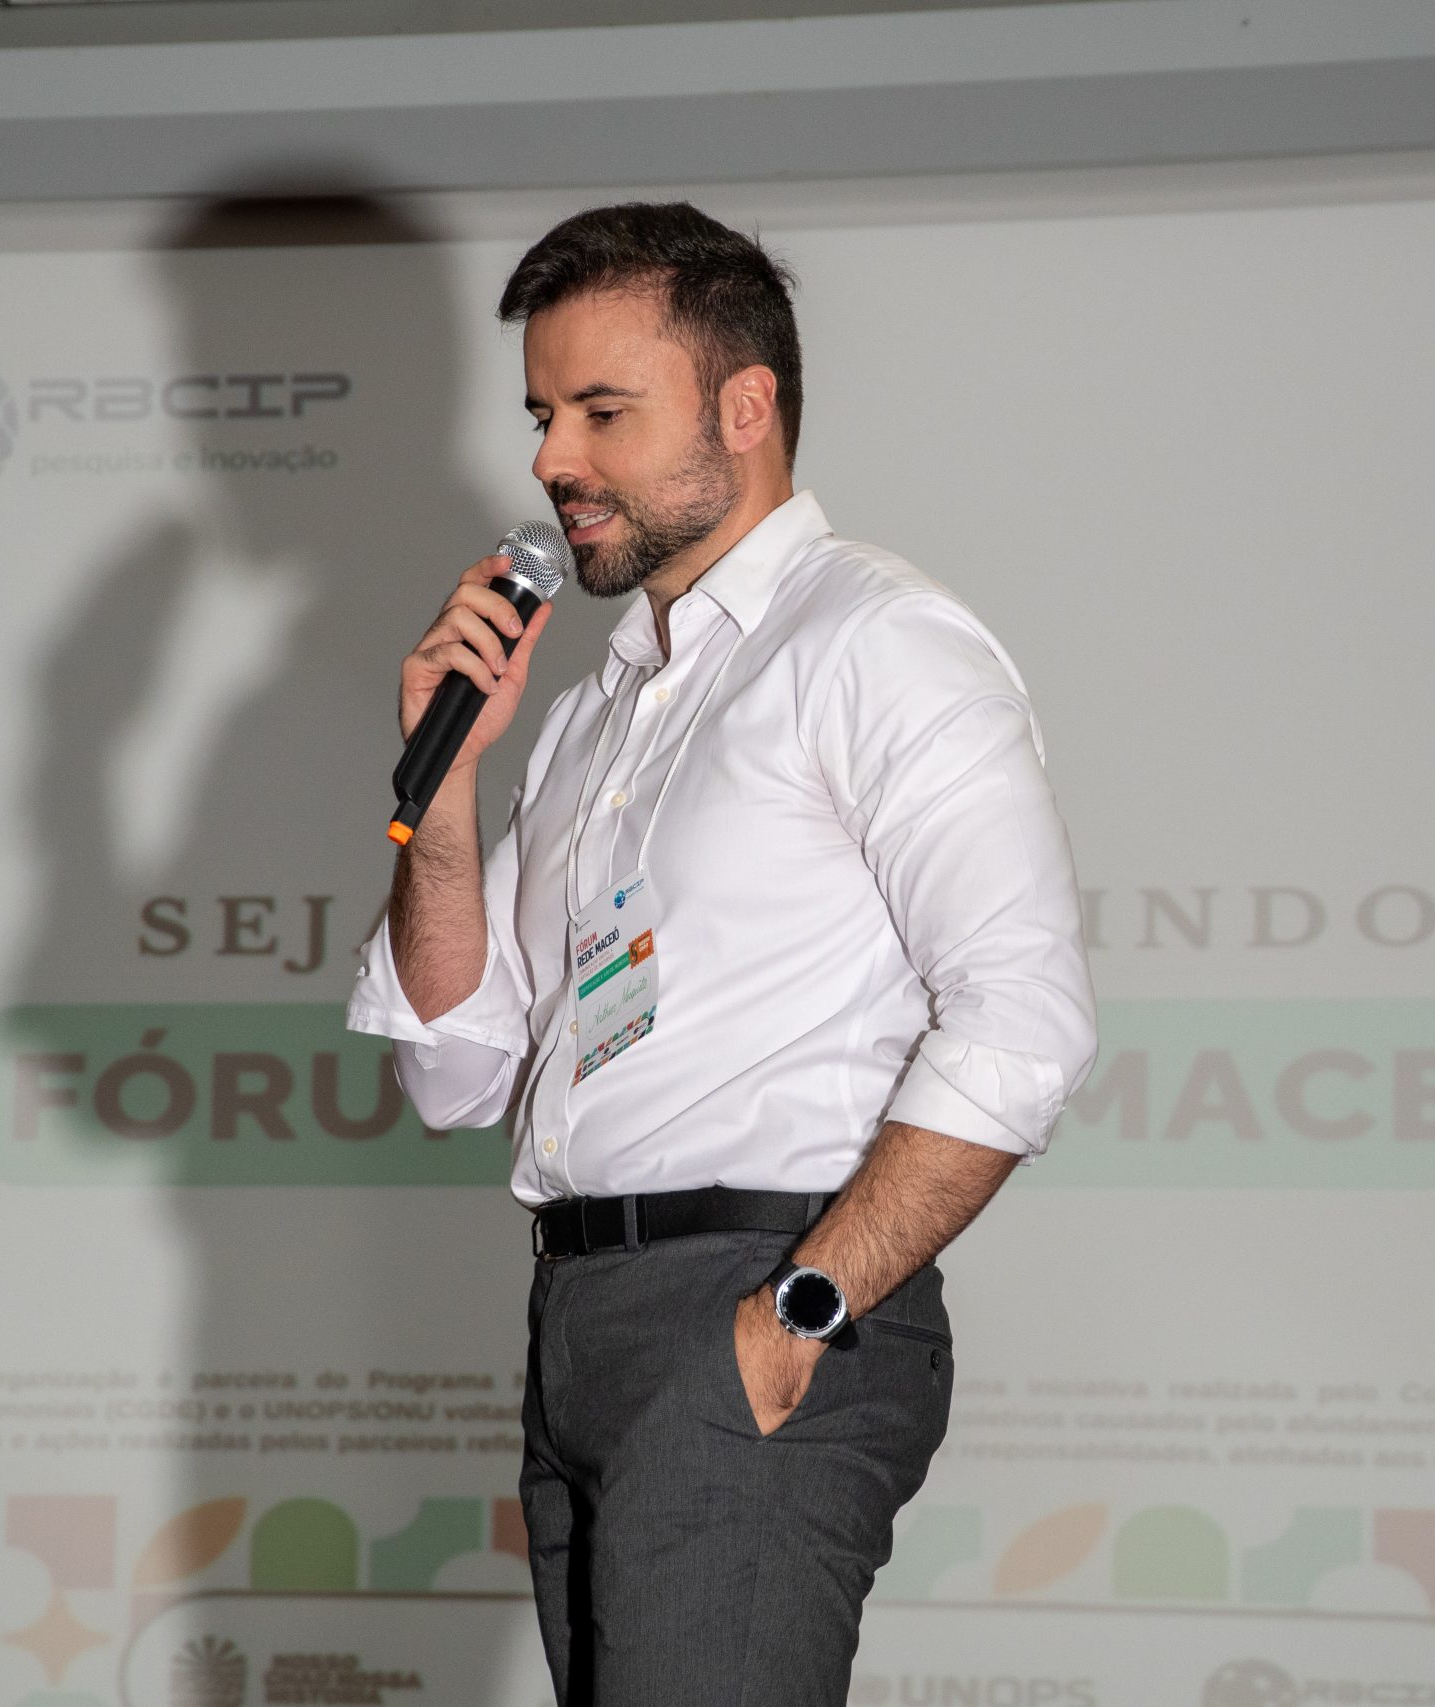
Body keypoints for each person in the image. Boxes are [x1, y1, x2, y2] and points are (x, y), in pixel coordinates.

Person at [345, 201, 1098, 1706]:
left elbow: (1025, 1022)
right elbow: (453, 1072)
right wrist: (449, 792)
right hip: (580, 1325)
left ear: (744, 408)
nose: (552, 462)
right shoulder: (596, 712)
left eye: (601, 412)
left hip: (763, 1298)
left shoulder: (874, 642)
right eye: (543, 417)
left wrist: (799, 1312)